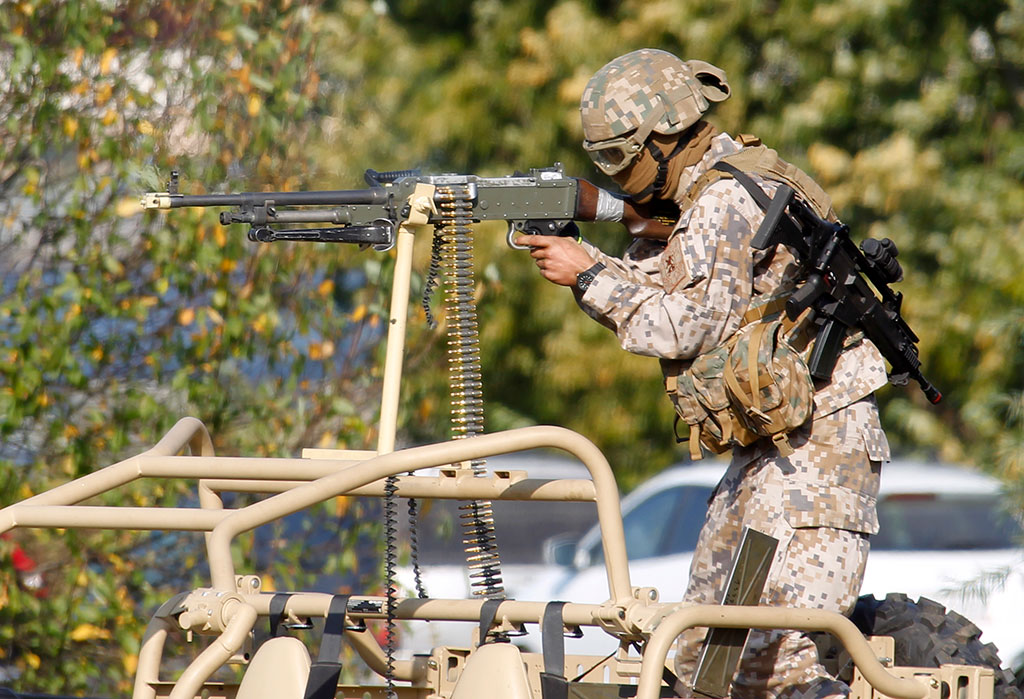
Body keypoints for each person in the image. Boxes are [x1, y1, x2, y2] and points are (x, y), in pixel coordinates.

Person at [517, 48, 891, 699]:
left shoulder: (723, 200)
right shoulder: (707, 196)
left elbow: (684, 326)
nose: (616, 176)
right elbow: (676, 290)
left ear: (663, 138)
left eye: (618, 159)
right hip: (772, 455)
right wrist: (589, 267)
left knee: (780, 667)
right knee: (700, 663)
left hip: (817, 454)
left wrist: (589, 273)